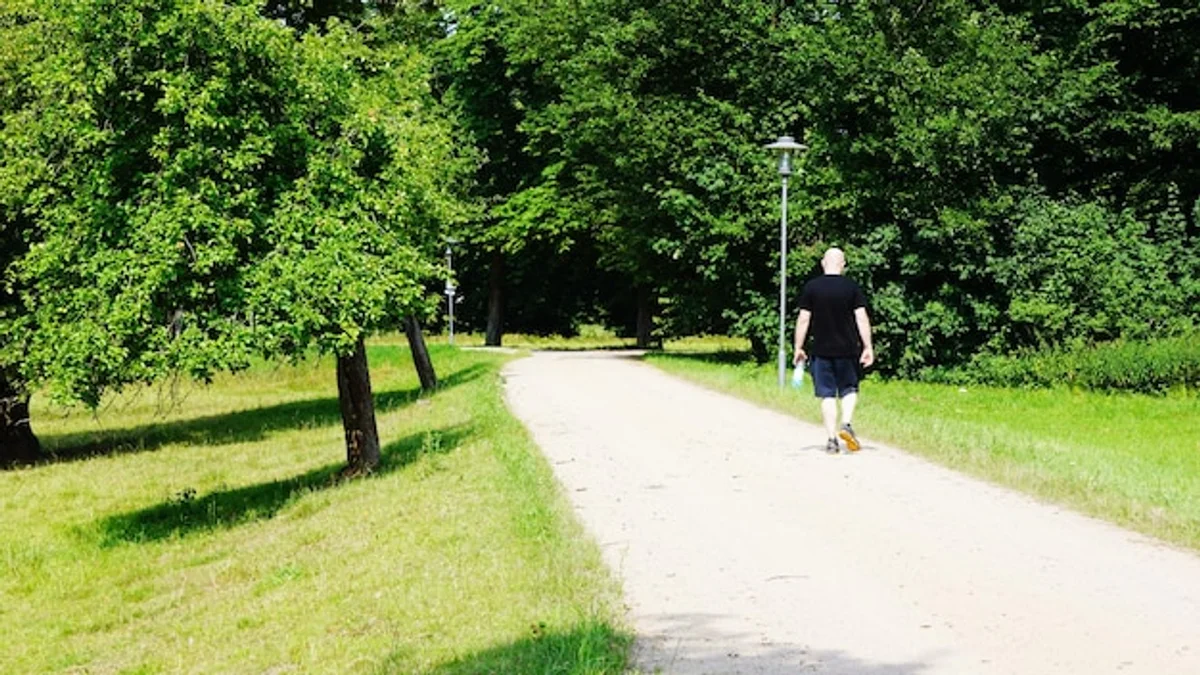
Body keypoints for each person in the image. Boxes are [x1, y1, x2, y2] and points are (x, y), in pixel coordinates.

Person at [792, 248, 874, 454]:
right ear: (843, 265)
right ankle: (846, 423)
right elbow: (861, 318)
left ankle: (831, 440)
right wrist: (867, 347)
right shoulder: (851, 287)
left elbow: (803, 319)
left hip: (821, 350)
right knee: (849, 389)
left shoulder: (812, 287)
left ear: (823, 263)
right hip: (847, 350)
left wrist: (798, 347)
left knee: (827, 394)